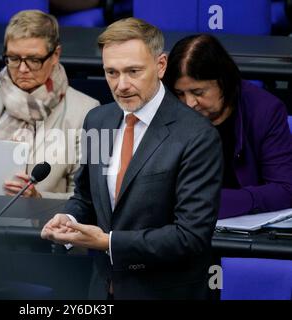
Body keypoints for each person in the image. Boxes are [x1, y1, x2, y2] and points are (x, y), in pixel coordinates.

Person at [41, 18, 223, 299]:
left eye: (133, 71)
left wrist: (107, 242)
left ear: (161, 65)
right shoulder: (97, 121)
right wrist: (68, 218)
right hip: (103, 291)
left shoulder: (197, 136)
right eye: (111, 72)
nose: (121, 85)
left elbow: (190, 237)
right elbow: (87, 197)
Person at [0, 10, 99, 199]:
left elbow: (86, 197)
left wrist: (36, 199)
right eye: (14, 58)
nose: (22, 69)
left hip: (41, 226)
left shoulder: (85, 110)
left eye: (33, 60)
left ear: (55, 55)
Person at [163, 34, 292, 219]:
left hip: (242, 230)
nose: (189, 103)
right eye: (180, 93)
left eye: (198, 92)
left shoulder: (265, 111)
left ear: (224, 81)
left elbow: (285, 189)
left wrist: (214, 201)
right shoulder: (169, 108)